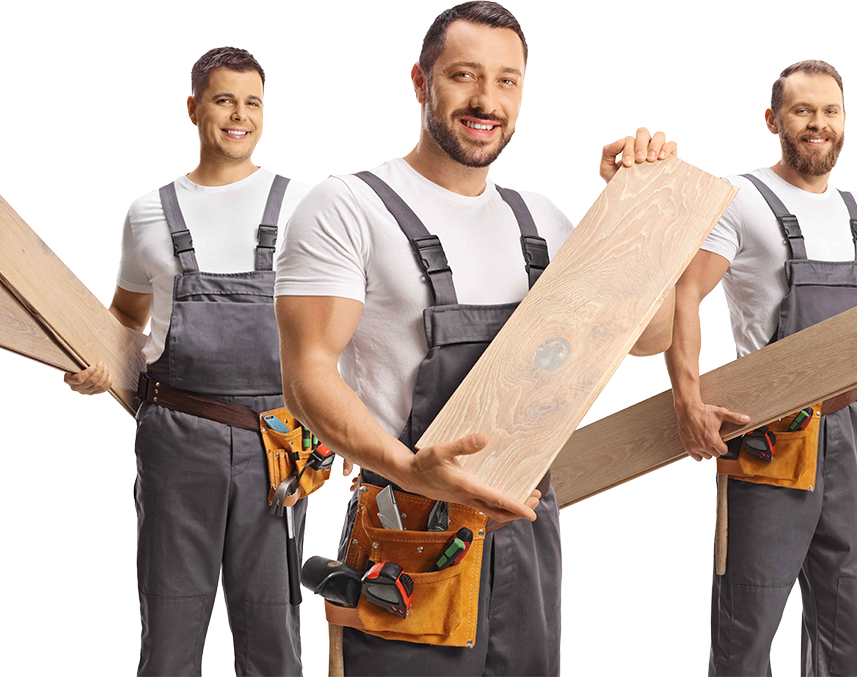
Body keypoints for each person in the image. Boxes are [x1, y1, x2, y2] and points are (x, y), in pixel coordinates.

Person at [274, 2, 675, 674]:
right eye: (464, 75)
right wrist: (410, 469)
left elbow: (649, 336)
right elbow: (307, 373)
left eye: (508, 81)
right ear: (420, 81)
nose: (487, 100)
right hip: (408, 535)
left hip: (525, 528)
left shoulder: (542, 221)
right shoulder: (348, 206)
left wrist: (636, 210)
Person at [662, 59, 857, 676]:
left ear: (843, 123)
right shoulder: (744, 200)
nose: (817, 124)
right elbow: (684, 295)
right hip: (768, 435)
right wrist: (687, 400)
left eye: (830, 111)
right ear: (774, 120)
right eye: (803, 111)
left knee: (845, 610)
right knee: (749, 620)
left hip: (846, 433)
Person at [64, 46, 315, 677]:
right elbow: (125, 318)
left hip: (276, 442)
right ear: (193, 108)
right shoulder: (148, 212)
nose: (240, 115)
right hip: (177, 439)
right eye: (225, 99)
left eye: (252, 102)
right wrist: (95, 364)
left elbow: (334, 325)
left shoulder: (303, 209)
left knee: (273, 631)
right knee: (171, 631)